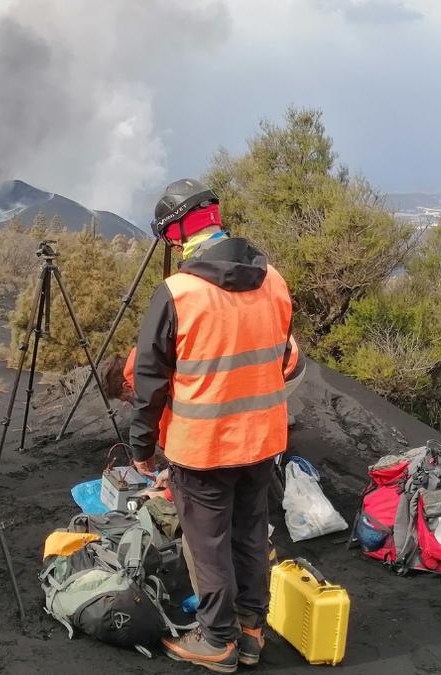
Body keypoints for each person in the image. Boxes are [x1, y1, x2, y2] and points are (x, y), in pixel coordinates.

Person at [128, 179, 301, 673]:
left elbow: (148, 382)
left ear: (175, 233)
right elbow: (281, 354)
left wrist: (143, 448)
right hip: (264, 439)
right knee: (250, 536)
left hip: (203, 449)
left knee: (208, 547)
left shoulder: (177, 292)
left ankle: (218, 641)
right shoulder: (275, 280)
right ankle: (251, 633)